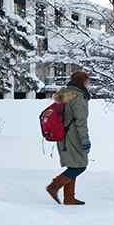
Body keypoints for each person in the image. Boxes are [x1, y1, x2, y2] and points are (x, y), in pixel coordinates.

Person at [46, 71, 92, 205]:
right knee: (80, 166)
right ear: (82, 82)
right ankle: (54, 186)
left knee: (74, 164)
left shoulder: (66, 93)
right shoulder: (78, 97)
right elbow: (81, 121)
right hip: (73, 136)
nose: (89, 84)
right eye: (87, 81)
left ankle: (69, 198)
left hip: (63, 134)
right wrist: (85, 140)